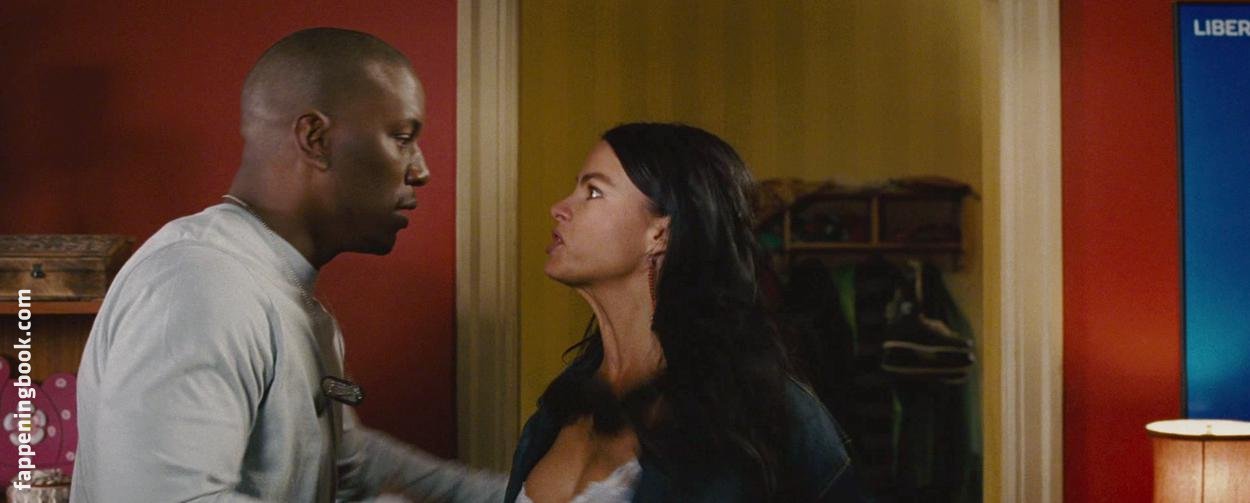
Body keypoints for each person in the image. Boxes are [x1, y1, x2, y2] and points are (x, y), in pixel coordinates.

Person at [71, 28, 504, 502]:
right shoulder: (200, 286)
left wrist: (519, 498)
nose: (420, 170)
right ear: (315, 139)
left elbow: (348, 465)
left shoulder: (282, 289)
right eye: (401, 138)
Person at [506, 123, 864, 502]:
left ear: (659, 233)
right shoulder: (558, 408)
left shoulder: (766, 412)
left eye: (593, 191)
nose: (558, 208)